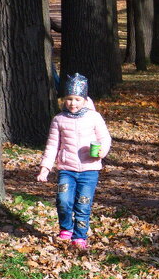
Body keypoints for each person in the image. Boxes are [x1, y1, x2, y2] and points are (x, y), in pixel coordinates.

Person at [37, 74, 112, 250]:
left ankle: (80, 236)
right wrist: (45, 168)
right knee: (63, 201)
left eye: (77, 99)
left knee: (83, 204)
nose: (73, 103)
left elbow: (105, 138)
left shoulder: (94, 117)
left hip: (89, 170)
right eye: (69, 99)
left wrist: (102, 151)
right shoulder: (59, 119)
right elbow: (52, 145)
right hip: (67, 169)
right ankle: (66, 228)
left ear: (85, 100)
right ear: (64, 100)